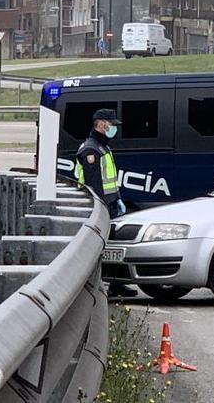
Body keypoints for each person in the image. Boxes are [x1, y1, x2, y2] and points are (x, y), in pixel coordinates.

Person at [75, 108, 137, 297]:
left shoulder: (102, 146)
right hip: (99, 207)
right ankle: (100, 286)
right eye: (111, 124)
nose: (113, 128)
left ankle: (116, 284)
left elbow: (109, 179)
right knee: (99, 249)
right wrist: (102, 208)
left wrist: (117, 197)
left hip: (110, 204)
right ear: (102, 124)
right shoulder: (91, 150)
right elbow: (94, 185)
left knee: (111, 247)